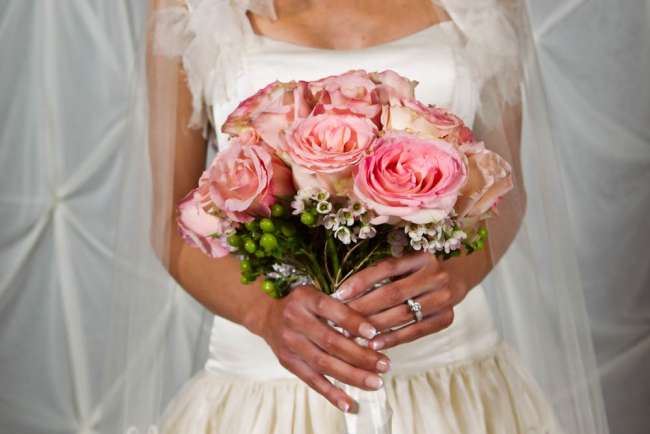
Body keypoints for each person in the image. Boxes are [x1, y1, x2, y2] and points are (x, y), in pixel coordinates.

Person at [109, 1, 610, 433]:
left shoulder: (483, 6)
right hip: (266, 382)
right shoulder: (191, 7)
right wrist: (263, 314)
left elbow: (504, 188)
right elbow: (168, 220)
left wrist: (454, 277)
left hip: (448, 373)